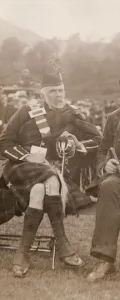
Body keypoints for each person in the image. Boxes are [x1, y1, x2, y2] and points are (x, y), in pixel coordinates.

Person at [0, 61, 102, 277]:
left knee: (41, 188)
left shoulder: (72, 114)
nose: (58, 95)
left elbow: (98, 140)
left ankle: (22, 252)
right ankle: (63, 244)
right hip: (21, 168)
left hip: (50, 172)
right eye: (53, 91)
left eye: (61, 90)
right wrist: (26, 155)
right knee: (52, 178)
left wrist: (77, 144)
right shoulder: (27, 111)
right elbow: (3, 141)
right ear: (43, 94)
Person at [87, 104, 120, 282]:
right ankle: (105, 259)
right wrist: (105, 164)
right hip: (118, 176)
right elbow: (102, 149)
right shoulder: (115, 117)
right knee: (108, 187)